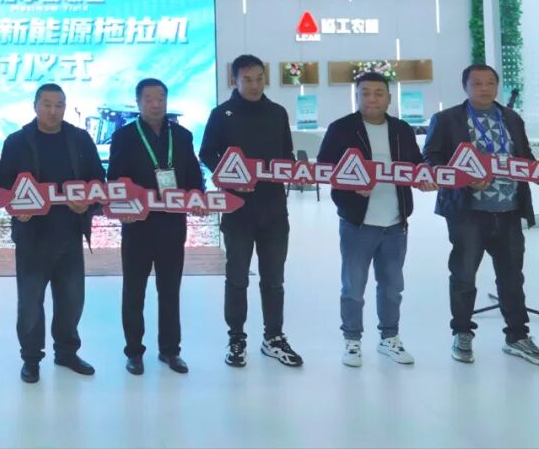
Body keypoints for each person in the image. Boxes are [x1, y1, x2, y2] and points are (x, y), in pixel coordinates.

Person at [423, 64, 539, 365]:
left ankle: (517, 336)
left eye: (490, 83)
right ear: (465, 87)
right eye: (477, 83)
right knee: (463, 276)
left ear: (497, 86)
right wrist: (463, 176)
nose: (485, 88)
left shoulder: (511, 118)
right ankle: (462, 333)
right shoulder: (446, 119)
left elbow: (524, 156)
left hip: (509, 209)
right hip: (468, 212)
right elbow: (431, 158)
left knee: (512, 277)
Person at [317, 71, 431, 368]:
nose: (372, 99)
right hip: (357, 223)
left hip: (395, 223)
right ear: (357, 97)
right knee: (353, 288)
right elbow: (324, 168)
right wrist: (352, 185)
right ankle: (352, 340)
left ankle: (389, 338)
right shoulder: (341, 128)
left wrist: (425, 179)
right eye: (365, 93)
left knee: (392, 287)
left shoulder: (402, 129)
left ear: (389, 98)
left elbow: (417, 165)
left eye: (378, 93)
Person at [199, 55, 303, 369]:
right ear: (235, 81)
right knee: (237, 278)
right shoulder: (222, 114)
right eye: (247, 79)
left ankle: (274, 337)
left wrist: (293, 172)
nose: (255, 85)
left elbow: (286, 155)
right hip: (237, 210)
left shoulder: (277, 112)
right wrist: (231, 178)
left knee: (274, 278)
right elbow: (207, 153)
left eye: (259, 78)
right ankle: (236, 338)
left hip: (274, 211)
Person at [0, 83, 104, 384]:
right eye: (46, 104)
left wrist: (89, 203)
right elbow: (3, 187)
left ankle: (67, 353)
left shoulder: (80, 139)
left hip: (70, 233)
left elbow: (98, 180)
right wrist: (17, 208)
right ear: (35, 106)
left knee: (72, 300)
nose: (53, 111)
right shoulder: (17, 141)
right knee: (30, 303)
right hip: (32, 236)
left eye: (59, 105)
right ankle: (31, 359)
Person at [107, 78, 205, 376]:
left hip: (172, 225)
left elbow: (193, 176)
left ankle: (170, 350)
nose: (156, 104)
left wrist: (198, 197)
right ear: (138, 103)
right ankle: (134, 352)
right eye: (149, 99)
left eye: (161, 98)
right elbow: (115, 180)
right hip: (138, 225)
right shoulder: (124, 136)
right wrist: (123, 210)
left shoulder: (182, 135)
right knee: (134, 291)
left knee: (170, 290)